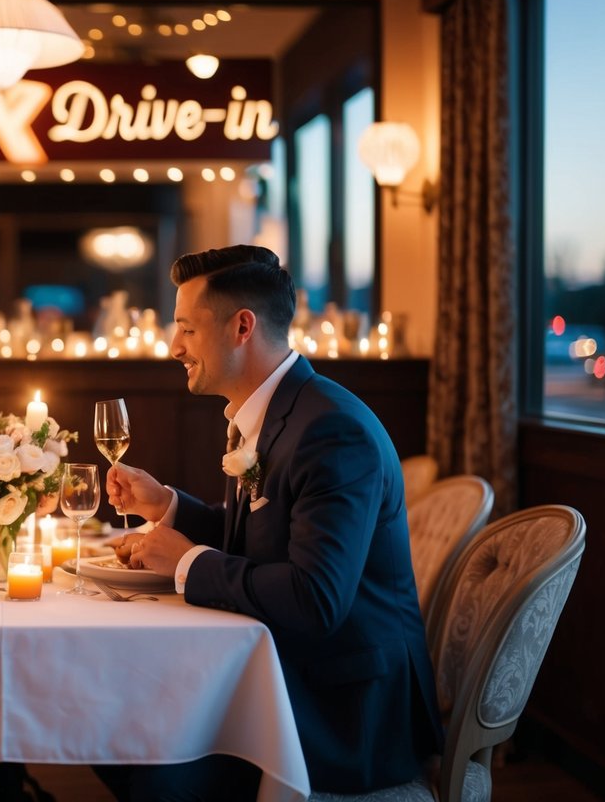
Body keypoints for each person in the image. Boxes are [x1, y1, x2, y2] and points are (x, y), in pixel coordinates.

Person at [101, 246, 442, 800]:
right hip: (288, 679)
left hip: (343, 713)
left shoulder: (331, 433)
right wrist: (166, 505)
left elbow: (315, 599)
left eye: (186, 328)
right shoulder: (277, 410)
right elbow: (259, 539)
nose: (173, 347)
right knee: (113, 729)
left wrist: (186, 561)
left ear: (241, 327)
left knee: (142, 762)